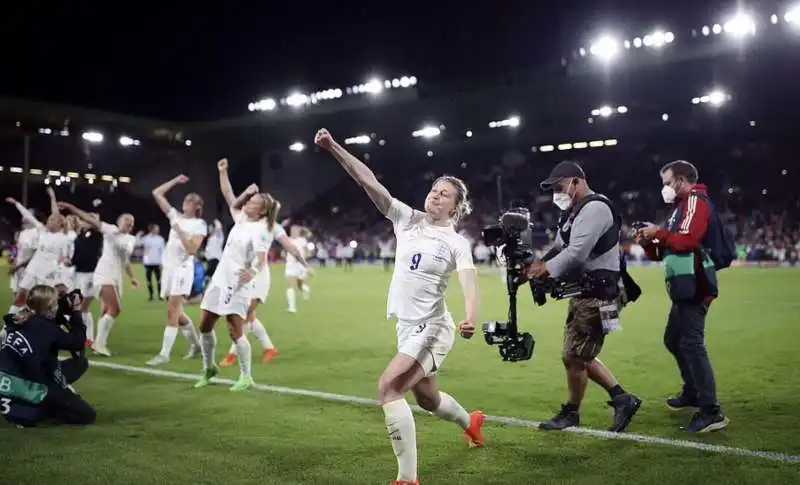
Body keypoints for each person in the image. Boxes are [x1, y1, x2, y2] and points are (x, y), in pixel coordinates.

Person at [315, 128, 484, 485]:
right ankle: (471, 424)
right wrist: (333, 147)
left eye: (445, 195)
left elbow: (469, 281)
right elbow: (368, 181)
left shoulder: (456, 242)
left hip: (433, 327)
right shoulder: (407, 220)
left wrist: (471, 317)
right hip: (407, 327)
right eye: (434, 190)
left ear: (456, 207)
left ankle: (407, 479)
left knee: (388, 387)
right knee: (427, 398)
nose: (436, 196)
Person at [526, 161, 641, 433]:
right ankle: (621, 399)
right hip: (587, 291)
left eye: (559, 187)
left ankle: (575, 411)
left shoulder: (596, 208)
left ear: (576, 181)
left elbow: (576, 252)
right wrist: (536, 267)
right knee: (578, 355)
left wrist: (546, 269)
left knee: (576, 356)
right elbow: (559, 248)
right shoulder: (573, 213)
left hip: (602, 294)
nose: (557, 194)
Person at [636, 160, 729, 433]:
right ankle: (693, 392)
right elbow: (665, 249)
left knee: (690, 344)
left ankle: (711, 410)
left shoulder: (694, 202)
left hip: (696, 283)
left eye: (667, 182)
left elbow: (687, 241)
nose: (664, 188)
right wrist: (649, 241)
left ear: (681, 180)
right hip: (683, 284)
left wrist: (659, 233)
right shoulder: (680, 209)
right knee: (673, 339)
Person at [213, 159, 309, 372]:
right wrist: (223, 172)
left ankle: (232, 354)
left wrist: (305, 264)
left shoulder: (270, 227)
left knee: (244, 313)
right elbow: (229, 196)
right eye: (250, 201)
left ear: (263, 210)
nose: (248, 204)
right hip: (239, 274)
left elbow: (290, 246)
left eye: (254, 202)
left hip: (258, 275)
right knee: (248, 315)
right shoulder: (241, 218)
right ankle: (269, 348)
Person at [0, 285, 95, 427]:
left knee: (79, 364)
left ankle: (36, 402)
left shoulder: (18, 318)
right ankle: (42, 408)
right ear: (51, 308)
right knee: (86, 415)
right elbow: (77, 343)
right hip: (27, 386)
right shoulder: (47, 328)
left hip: (7, 380)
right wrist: (75, 312)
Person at [57, 202, 139, 357]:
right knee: (115, 308)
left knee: (107, 310)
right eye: (126, 220)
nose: (129, 223)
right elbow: (88, 218)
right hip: (103, 274)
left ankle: (98, 343)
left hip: (116, 277)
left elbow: (125, 256)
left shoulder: (130, 239)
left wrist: (133, 278)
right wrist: (71, 207)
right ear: (119, 222)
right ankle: (99, 343)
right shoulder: (109, 229)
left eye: (131, 222)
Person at [146, 175, 206, 366]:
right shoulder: (174, 215)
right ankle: (197, 346)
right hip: (169, 269)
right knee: (177, 312)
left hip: (183, 268)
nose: (185, 202)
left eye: (190, 200)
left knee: (173, 309)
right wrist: (174, 181)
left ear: (196, 206)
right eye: (185, 199)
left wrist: (179, 231)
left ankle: (164, 354)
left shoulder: (200, 224)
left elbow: (192, 249)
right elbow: (157, 193)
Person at [5, 193, 71, 315]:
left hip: (48, 274)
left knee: (44, 304)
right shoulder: (43, 231)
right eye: (49, 219)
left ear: (59, 224)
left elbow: (56, 213)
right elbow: (28, 216)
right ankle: (7, 327)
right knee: (20, 297)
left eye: (51, 219)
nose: (48, 221)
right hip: (33, 270)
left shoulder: (63, 237)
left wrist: (53, 198)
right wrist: (17, 204)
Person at [71, 212, 103, 346]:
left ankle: (86, 337)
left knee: (82, 307)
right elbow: (78, 253)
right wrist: (71, 261)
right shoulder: (80, 236)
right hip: (78, 273)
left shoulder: (96, 235)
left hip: (90, 274)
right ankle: (86, 337)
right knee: (81, 308)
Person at [284, 224, 312, 313]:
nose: (293, 232)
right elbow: (285, 251)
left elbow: (307, 252)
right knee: (291, 285)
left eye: (295, 230)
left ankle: (305, 290)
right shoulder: (288, 240)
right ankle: (292, 308)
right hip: (291, 264)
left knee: (299, 285)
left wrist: (305, 259)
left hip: (300, 264)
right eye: (292, 230)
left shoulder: (302, 241)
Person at [137, 224, 166, 301]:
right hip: (148, 263)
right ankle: (151, 295)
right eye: (156, 228)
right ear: (152, 229)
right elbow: (137, 243)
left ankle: (160, 295)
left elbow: (163, 251)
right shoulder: (146, 239)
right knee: (149, 280)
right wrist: (138, 235)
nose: (158, 230)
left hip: (157, 263)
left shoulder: (160, 239)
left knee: (159, 280)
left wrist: (163, 263)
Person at [205, 219, 224, 284]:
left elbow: (218, 228)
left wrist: (215, 222)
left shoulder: (218, 236)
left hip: (215, 258)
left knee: (210, 276)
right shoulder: (210, 238)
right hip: (209, 258)